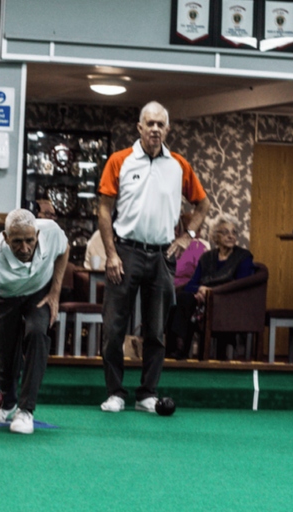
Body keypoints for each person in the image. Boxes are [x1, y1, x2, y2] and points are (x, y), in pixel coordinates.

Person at [97, 101, 211, 412]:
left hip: (162, 256)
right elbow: (104, 209)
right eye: (150, 124)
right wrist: (111, 254)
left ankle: (147, 393)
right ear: (140, 128)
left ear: (168, 129)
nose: (155, 129)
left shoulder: (178, 165)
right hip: (125, 252)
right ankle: (115, 394)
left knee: (156, 331)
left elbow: (202, 204)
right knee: (113, 329)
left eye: (161, 124)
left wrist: (188, 237)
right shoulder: (120, 161)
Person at [0, 208, 70, 434]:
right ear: (6, 238)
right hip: (5, 298)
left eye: (29, 240)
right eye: (17, 241)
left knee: (37, 333)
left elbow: (65, 250)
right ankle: (7, 402)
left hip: (39, 293)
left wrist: (55, 292)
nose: (25, 248)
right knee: (7, 356)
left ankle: (26, 410)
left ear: (37, 234)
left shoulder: (51, 231)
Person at [168, 215, 254, 359]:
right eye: (225, 232)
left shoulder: (244, 257)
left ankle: (179, 349)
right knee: (182, 298)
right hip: (202, 301)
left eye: (234, 232)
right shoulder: (207, 257)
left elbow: (241, 286)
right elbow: (191, 285)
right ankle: (178, 349)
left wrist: (212, 292)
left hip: (227, 303)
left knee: (186, 302)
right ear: (215, 236)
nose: (231, 236)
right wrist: (201, 290)